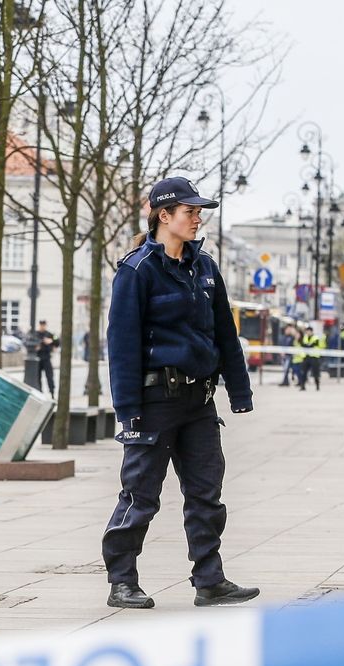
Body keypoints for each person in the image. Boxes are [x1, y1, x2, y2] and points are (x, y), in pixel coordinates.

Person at [102, 176, 257, 609]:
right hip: (153, 404)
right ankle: (122, 580)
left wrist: (238, 391)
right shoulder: (137, 271)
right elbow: (122, 344)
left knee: (207, 493)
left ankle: (210, 580)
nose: (197, 217)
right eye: (190, 211)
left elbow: (225, 332)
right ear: (163, 215)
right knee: (140, 495)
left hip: (199, 402)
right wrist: (127, 410)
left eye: (198, 211)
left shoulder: (204, 267)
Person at [35, 320, 57, 395]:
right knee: (38, 377)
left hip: (47, 357)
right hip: (38, 358)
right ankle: (40, 391)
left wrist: (51, 341)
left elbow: (57, 339)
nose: (42, 326)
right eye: (41, 325)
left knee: (49, 376)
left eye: (44, 325)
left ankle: (52, 392)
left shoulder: (49, 334)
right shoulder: (36, 334)